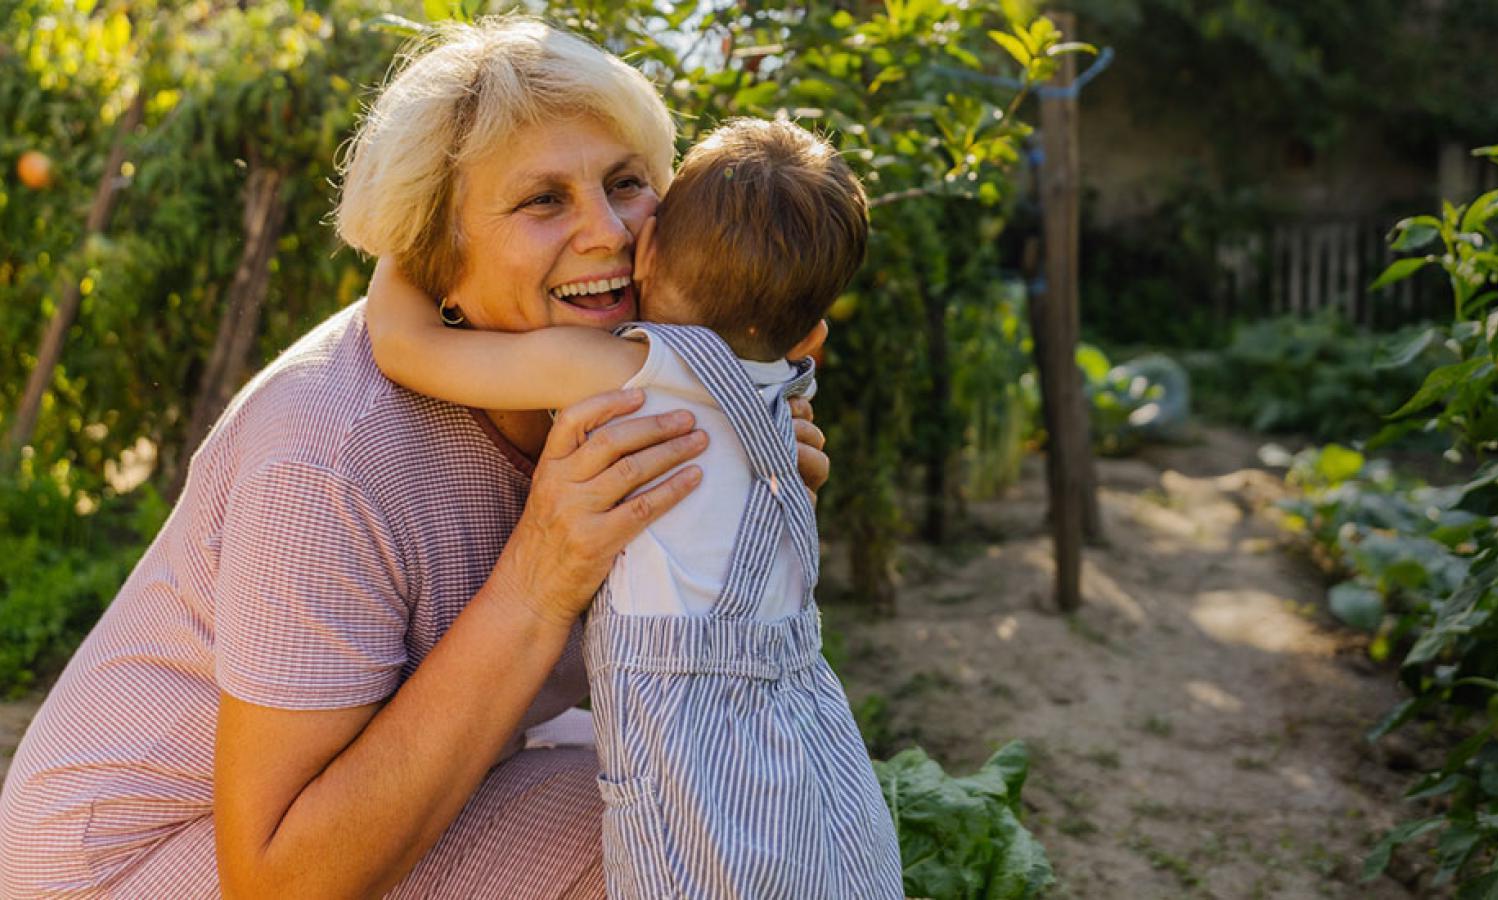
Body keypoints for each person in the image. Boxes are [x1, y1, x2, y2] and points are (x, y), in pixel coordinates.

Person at [0, 19, 830, 898]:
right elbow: (277, 882)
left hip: (378, 794)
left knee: (748, 802)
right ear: (442, 261)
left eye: (628, 183)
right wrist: (540, 577)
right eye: (543, 201)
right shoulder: (328, 458)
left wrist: (753, 524)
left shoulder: (643, 384)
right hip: (140, 863)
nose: (610, 231)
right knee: (670, 845)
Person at [364, 117, 903, 898]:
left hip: (681, 733)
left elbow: (407, 347)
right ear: (811, 336)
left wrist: (408, 242)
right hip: (798, 716)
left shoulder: (622, 367)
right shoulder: (787, 394)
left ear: (644, 254)